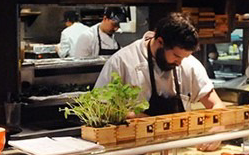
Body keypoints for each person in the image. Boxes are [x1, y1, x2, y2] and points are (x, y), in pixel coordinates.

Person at [94, 12, 223, 115]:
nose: (180, 63)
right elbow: (99, 109)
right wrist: (131, 116)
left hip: (178, 139)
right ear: (160, 42)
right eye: (176, 56)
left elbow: (217, 105)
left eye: (185, 57)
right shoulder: (122, 62)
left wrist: (216, 127)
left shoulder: (189, 64)